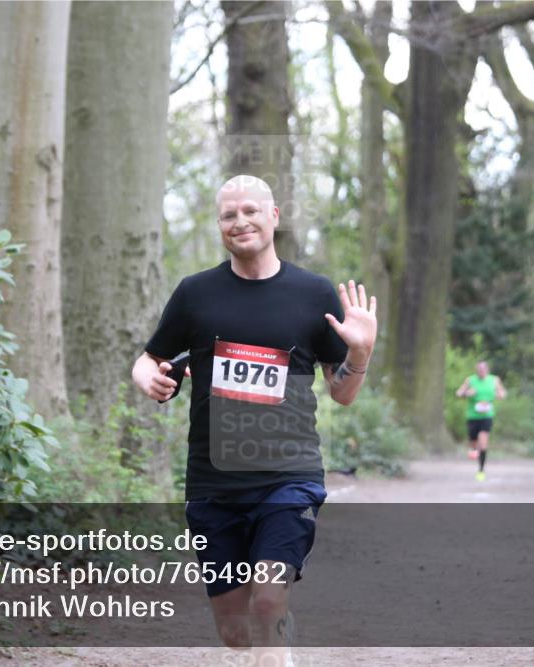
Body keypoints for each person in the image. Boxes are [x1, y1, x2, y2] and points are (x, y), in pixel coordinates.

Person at [132, 175, 377, 666]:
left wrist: (361, 352)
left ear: (274, 216)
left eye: (250, 210)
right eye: (229, 214)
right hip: (213, 482)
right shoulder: (196, 293)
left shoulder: (313, 293)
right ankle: (275, 635)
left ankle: (274, 630)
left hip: (289, 477)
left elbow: (343, 392)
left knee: (267, 599)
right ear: (219, 224)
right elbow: (147, 359)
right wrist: (148, 380)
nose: (240, 221)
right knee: (234, 632)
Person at [455, 361, 507, 481]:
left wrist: (500, 394)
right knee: (473, 443)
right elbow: (459, 393)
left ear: (487, 370)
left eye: (483, 369)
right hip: (472, 416)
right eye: (479, 370)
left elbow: (503, 393)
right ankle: (473, 449)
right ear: (476, 370)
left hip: (487, 416)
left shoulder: (494, 380)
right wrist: (467, 393)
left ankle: (481, 470)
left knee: (483, 443)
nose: (481, 372)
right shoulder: (470, 380)